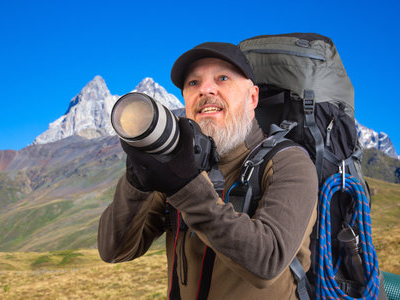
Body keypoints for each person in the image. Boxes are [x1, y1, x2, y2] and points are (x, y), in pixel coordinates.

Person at [98, 42, 318, 299]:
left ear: (252, 97)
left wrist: (185, 187)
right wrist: (136, 182)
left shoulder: (288, 162)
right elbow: (114, 250)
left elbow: (267, 263)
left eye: (222, 78)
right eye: (193, 83)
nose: (205, 89)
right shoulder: (178, 166)